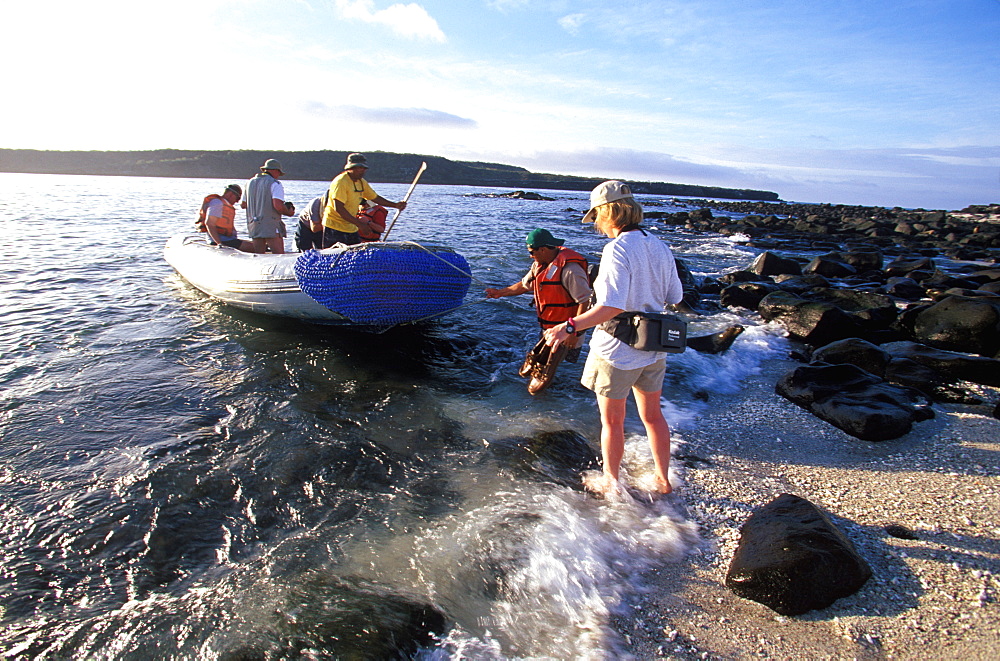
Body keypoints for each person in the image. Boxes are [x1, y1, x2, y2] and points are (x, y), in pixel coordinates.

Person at [543, 181, 683, 496]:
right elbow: (676, 295)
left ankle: (612, 481)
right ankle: (663, 480)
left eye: (596, 217)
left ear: (608, 213)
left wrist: (568, 326)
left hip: (617, 350)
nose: (595, 224)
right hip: (654, 348)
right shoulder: (659, 245)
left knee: (613, 422)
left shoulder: (617, 248)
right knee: (653, 416)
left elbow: (611, 306)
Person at [486, 228, 592, 394]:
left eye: (531, 251)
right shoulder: (539, 265)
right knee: (538, 362)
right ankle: (543, 375)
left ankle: (551, 397)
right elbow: (523, 285)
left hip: (567, 328)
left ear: (543, 249)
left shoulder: (570, 270)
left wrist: (574, 332)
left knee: (549, 372)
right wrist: (500, 292)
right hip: (548, 327)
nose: (530, 255)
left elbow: (585, 300)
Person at [320, 153, 406, 247]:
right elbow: (339, 208)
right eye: (357, 168)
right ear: (350, 168)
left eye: (363, 168)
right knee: (334, 256)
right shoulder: (341, 182)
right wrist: (360, 225)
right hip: (334, 227)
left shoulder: (361, 182)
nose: (361, 171)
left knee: (356, 254)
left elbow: (374, 198)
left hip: (351, 227)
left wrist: (395, 205)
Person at [246, 158, 296, 254]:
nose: (278, 176)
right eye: (279, 173)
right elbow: (278, 206)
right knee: (279, 256)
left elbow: (243, 204)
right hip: (271, 226)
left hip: (254, 225)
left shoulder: (249, 183)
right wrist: (289, 212)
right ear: (275, 170)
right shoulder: (275, 184)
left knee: (259, 256)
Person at [198, 184, 254, 252]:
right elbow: (209, 223)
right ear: (230, 194)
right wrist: (219, 243)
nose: (237, 201)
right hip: (222, 241)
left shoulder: (223, 204)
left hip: (228, 239)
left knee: (257, 244)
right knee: (258, 248)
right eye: (237, 198)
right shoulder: (218, 203)